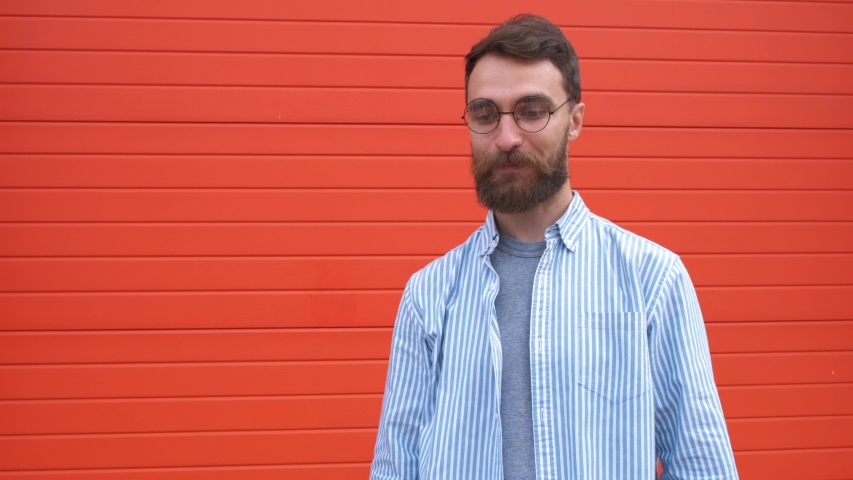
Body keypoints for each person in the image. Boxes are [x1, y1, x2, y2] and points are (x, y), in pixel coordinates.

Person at [369, 14, 738, 480]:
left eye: (532, 110)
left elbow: (701, 467)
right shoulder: (428, 295)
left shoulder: (652, 279)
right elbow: (396, 467)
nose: (506, 138)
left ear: (576, 120)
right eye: (485, 114)